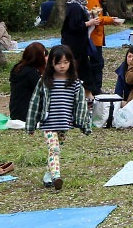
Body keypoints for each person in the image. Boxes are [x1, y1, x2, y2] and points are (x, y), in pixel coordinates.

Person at [25, 45, 92, 190]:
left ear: (70, 63)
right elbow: (35, 103)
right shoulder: (44, 82)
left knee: (55, 150)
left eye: (66, 62)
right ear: (51, 64)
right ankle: (56, 177)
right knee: (54, 149)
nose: (62, 66)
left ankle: (48, 176)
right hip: (48, 123)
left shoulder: (75, 83)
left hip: (64, 123)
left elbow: (81, 106)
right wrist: (31, 125)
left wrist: (85, 125)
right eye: (58, 63)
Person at [60, 0, 101, 101]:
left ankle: (89, 96)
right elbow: (75, 26)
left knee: (84, 69)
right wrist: (90, 22)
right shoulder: (75, 7)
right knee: (77, 68)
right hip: (74, 44)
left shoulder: (79, 6)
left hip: (80, 43)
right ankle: (79, 95)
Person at [85, 0, 124, 97]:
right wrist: (111, 20)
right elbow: (96, 18)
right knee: (96, 63)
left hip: (98, 36)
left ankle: (96, 89)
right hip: (93, 37)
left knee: (98, 63)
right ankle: (95, 90)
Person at [9, 42, 47, 121]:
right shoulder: (31, 73)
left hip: (15, 113)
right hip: (27, 115)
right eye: (44, 55)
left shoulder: (17, 68)